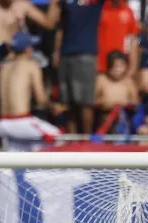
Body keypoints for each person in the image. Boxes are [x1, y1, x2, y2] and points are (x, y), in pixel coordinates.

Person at [0, 32, 62, 151]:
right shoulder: (31, 65)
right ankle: (40, 168)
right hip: (21, 122)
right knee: (59, 137)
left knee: (20, 152)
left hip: (3, 123)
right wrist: (53, 107)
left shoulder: (3, 68)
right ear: (28, 49)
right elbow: (41, 100)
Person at [56, 0, 104, 134]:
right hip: (66, 53)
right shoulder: (66, 3)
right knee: (68, 101)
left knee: (85, 101)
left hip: (86, 53)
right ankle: (72, 139)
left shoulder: (95, 2)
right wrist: (57, 51)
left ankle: (86, 138)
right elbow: (60, 25)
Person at [94, 51, 139, 130]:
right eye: (114, 66)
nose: (117, 70)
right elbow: (92, 101)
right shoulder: (101, 79)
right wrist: (104, 102)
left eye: (121, 66)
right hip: (104, 116)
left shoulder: (128, 81)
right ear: (109, 67)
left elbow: (136, 102)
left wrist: (124, 104)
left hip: (124, 117)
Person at [98, 0, 140, 77]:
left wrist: (132, 67)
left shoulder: (128, 10)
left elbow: (133, 40)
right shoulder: (97, 7)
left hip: (118, 68)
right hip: (99, 66)